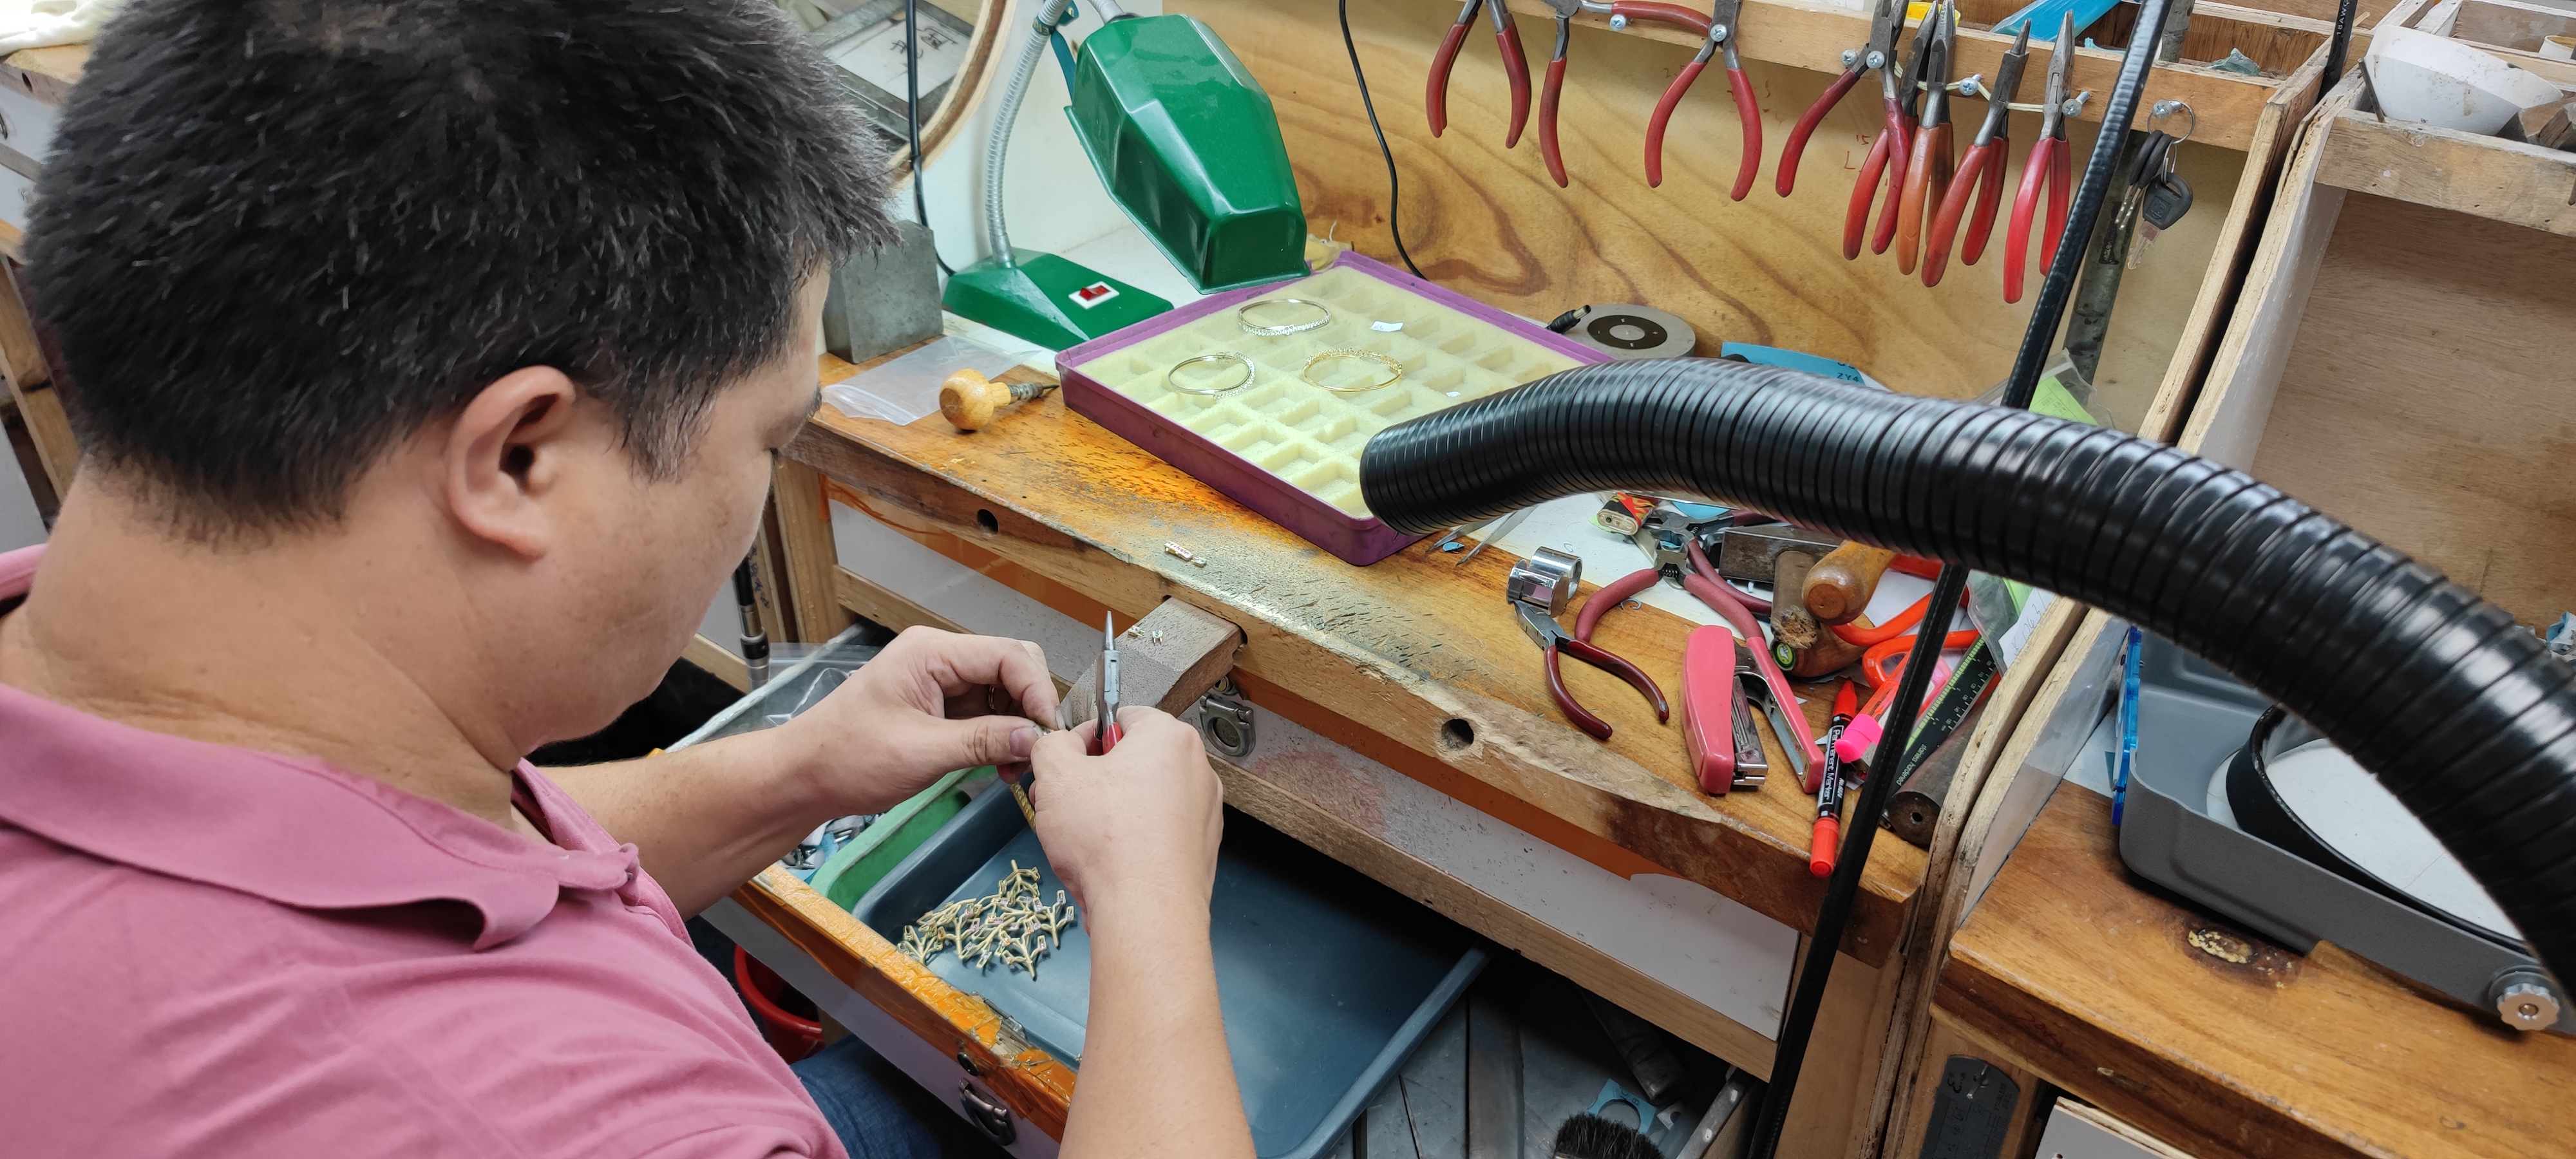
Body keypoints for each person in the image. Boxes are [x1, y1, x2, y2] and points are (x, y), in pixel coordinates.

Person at [0, 1, 1255, 1156]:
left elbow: (449, 862)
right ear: (522, 457)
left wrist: (800, 772)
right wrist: (1147, 919)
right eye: (768, 439)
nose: (760, 482)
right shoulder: (585, 1116)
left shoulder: (84, 650)